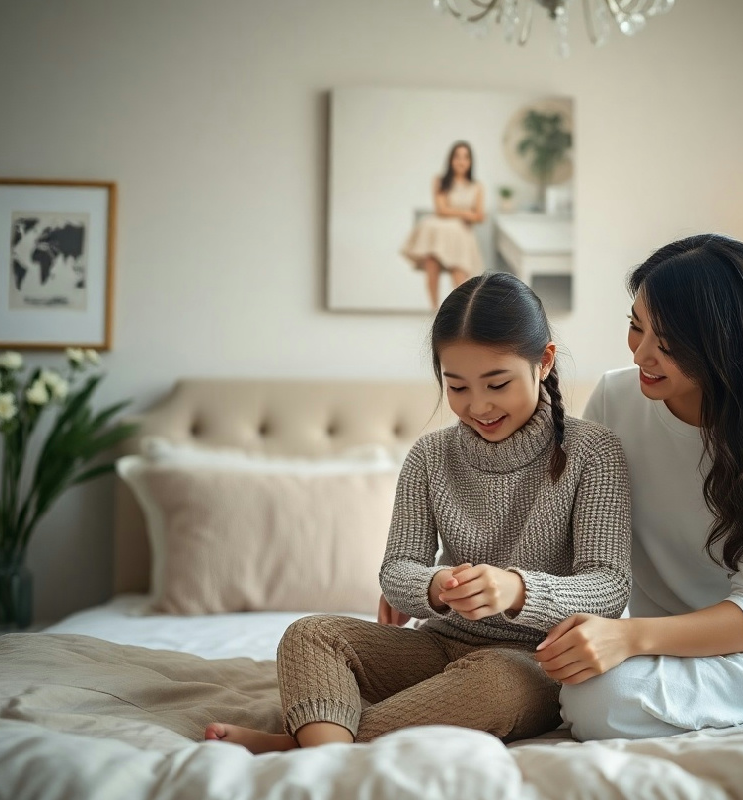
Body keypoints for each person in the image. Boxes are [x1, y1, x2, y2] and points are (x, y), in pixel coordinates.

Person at [205, 272, 632, 752]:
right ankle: (327, 750)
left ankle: (309, 744)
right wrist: (433, 587)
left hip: (532, 661)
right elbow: (396, 569)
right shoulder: (429, 456)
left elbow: (609, 587)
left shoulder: (593, 451)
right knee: (311, 634)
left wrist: (516, 589)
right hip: (438, 645)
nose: (479, 405)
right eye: (457, 387)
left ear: (544, 361)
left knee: (497, 685)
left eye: (497, 383)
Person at [534, 233, 743, 740]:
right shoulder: (615, 400)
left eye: (670, 344)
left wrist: (629, 637)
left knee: (599, 701)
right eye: (636, 328)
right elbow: (570, 536)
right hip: (654, 646)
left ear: (725, 345)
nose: (642, 355)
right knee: (581, 689)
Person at [401, 140, 486, 309]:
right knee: (432, 263)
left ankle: (460, 313)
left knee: (460, 273)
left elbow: (479, 215)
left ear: (470, 161)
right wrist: (465, 213)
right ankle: (435, 309)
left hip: (460, 235)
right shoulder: (440, 181)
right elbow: (441, 210)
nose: (461, 161)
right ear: (450, 160)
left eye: (465, 157)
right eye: (457, 157)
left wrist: (463, 214)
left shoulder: (477, 186)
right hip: (438, 231)